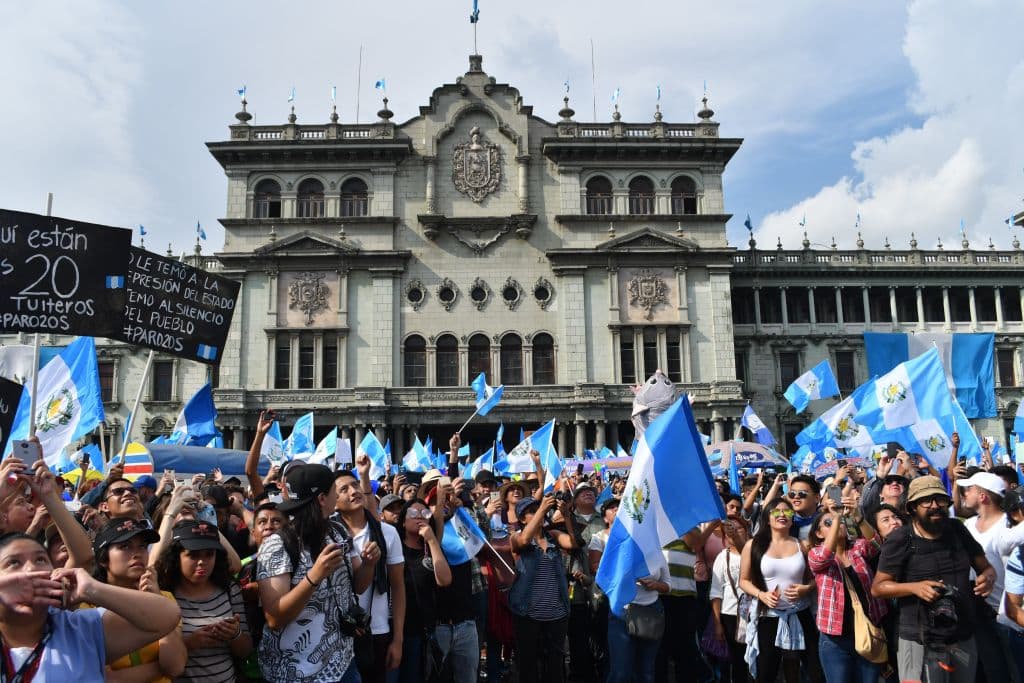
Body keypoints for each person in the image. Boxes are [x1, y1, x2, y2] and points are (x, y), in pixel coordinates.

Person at [256, 464, 380, 683]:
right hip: (295, 673)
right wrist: (314, 577)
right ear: (323, 498)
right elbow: (275, 618)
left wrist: (369, 564)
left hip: (343, 664)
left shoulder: (338, 532)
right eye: (335, 490)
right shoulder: (276, 546)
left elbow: (357, 586)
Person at [0, 531, 181, 681]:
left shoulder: (82, 628)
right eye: (13, 562)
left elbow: (167, 615)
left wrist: (91, 589)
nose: (31, 569)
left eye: (40, 560)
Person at [872, 475, 995, 683]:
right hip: (919, 638)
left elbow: (986, 568)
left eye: (940, 500)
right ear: (912, 508)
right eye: (926, 501)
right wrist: (914, 588)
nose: (935, 506)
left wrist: (988, 578)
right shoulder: (901, 538)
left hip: (962, 633)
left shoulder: (957, 529)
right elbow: (878, 588)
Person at [90, 516, 187, 682]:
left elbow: (175, 666)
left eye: (142, 546)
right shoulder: (88, 609)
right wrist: (161, 668)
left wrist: (156, 602)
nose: (137, 554)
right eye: (125, 546)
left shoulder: (163, 598)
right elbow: (108, 680)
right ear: (103, 559)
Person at [155, 520, 252, 682]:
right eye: (193, 555)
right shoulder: (164, 596)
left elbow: (245, 650)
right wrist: (190, 644)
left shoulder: (229, 589)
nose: (202, 562)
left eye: (209, 554)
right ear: (177, 556)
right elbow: (157, 658)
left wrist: (235, 634)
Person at [739, 497, 823, 683]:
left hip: (800, 614)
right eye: (776, 511)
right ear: (768, 518)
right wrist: (762, 595)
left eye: (787, 511)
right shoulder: (752, 545)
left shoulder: (803, 545)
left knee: (814, 670)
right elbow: (744, 581)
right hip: (767, 616)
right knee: (766, 672)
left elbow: (816, 579)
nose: (782, 515)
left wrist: (805, 588)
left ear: (793, 518)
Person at [335, 463, 406, 683]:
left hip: (376, 630)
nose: (353, 491)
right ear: (331, 500)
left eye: (355, 485)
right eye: (343, 489)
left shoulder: (387, 533)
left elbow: (398, 586)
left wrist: (398, 639)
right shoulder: (328, 533)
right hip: (335, 633)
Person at [954, 471, 1023, 681]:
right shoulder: (967, 526)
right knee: (995, 673)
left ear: (983, 496)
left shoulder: (1009, 527)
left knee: (1016, 672)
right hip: (980, 614)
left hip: (1008, 616)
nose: (964, 493)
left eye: (969, 489)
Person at [807, 503, 888, 683]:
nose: (838, 524)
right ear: (819, 534)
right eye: (828, 523)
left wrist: (858, 517)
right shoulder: (815, 553)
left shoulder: (857, 548)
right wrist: (836, 517)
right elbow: (825, 556)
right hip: (835, 639)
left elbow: (876, 543)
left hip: (869, 631)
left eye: (842, 521)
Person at [509, 494, 577, 683]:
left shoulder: (553, 537)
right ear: (522, 519)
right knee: (528, 665)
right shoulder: (516, 538)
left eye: (537, 509)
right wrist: (542, 508)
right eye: (531, 512)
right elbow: (522, 541)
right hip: (527, 614)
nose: (538, 513)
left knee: (555, 666)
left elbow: (573, 543)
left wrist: (567, 515)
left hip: (557, 614)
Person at [396, 498, 451, 683]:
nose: (419, 516)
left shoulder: (431, 547)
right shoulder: (394, 547)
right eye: (413, 513)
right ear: (403, 521)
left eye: (425, 513)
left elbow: (444, 580)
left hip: (425, 630)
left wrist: (432, 540)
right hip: (397, 630)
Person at [710, 512, 750, 683]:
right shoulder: (722, 556)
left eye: (739, 528)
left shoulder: (756, 553)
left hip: (754, 614)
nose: (734, 532)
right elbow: (716, 592)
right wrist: (717, 623)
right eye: (730, 529)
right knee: (735, 660)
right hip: (730, 614)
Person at [785, 475, 821, 544]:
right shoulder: (785, 520)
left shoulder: (824, 522)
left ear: (817, 498)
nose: (796, 496)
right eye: (792, 493)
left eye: (802, 493)